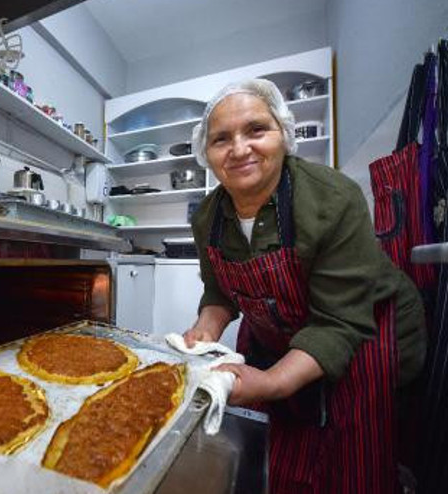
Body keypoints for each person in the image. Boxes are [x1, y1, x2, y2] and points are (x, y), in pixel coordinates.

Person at [182, 79, 426, 493]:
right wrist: (207, 330)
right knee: (276, 450)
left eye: (256, 130)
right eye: (221, 138)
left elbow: (338, 323)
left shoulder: (332, 200)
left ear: (284, 133)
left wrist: (273, 381)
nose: (239, 149)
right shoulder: (207, 218)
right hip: (279, 334)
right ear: (206, 152)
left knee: (355, 460)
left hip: (364, 329)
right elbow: (219, 292)